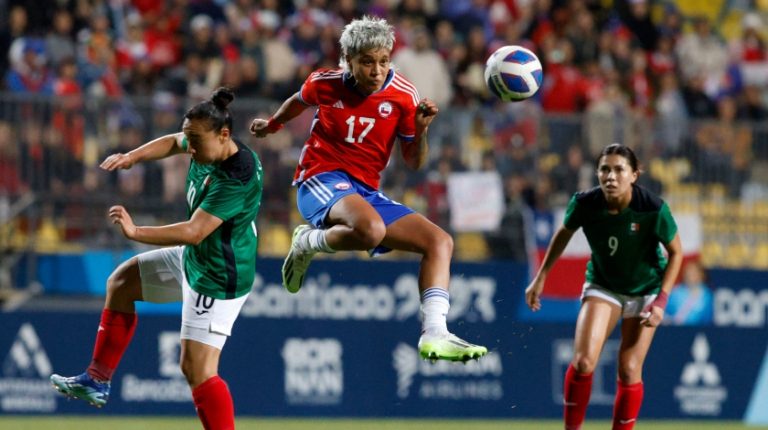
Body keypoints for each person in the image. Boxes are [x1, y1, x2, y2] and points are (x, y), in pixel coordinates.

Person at [249, 15, 487, 363]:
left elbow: (414, 162)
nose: (377, 71)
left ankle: (435, 332)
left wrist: (421, 130)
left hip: (365, 192)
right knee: (372, 229)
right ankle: (307, 242)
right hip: (320, 178)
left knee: (440, 242)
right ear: (348, 61)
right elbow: (297, 101)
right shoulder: (325, 82)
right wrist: (272, 125)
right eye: (367, 62)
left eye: (383, 61)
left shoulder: (404, 95)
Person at [50, 87, 262, 430]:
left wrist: (136, 232)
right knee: (121, 282)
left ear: (224, 135)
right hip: (196, 258)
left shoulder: (237, 176)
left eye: (195, 142)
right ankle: (96, 380)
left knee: (197, 369)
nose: (190, 148)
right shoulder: (206, 142)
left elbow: (194, 231)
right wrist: (132, 157)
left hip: (219, 275)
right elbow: (174, 141)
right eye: (189, 139)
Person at [525, 143, 683, 430]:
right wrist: (541, 276)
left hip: (645, 290)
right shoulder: (585, 203)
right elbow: (564, 232)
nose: (611, 176)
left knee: (629, 369)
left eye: (619, 170)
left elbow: (677, 253)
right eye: (605, 169)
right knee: (584, 362)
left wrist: (661, 301)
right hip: (603, 285)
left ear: (634, 175)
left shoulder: (652, 208)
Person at [666, 260, 713, 325]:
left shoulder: (706, 295)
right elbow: (666, 312)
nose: (689, 276)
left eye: (693, 273)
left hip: (698, 330)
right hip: (674, 329)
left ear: (701, 275)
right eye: (688, 273)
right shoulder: (675, 292)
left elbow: (707, 318)